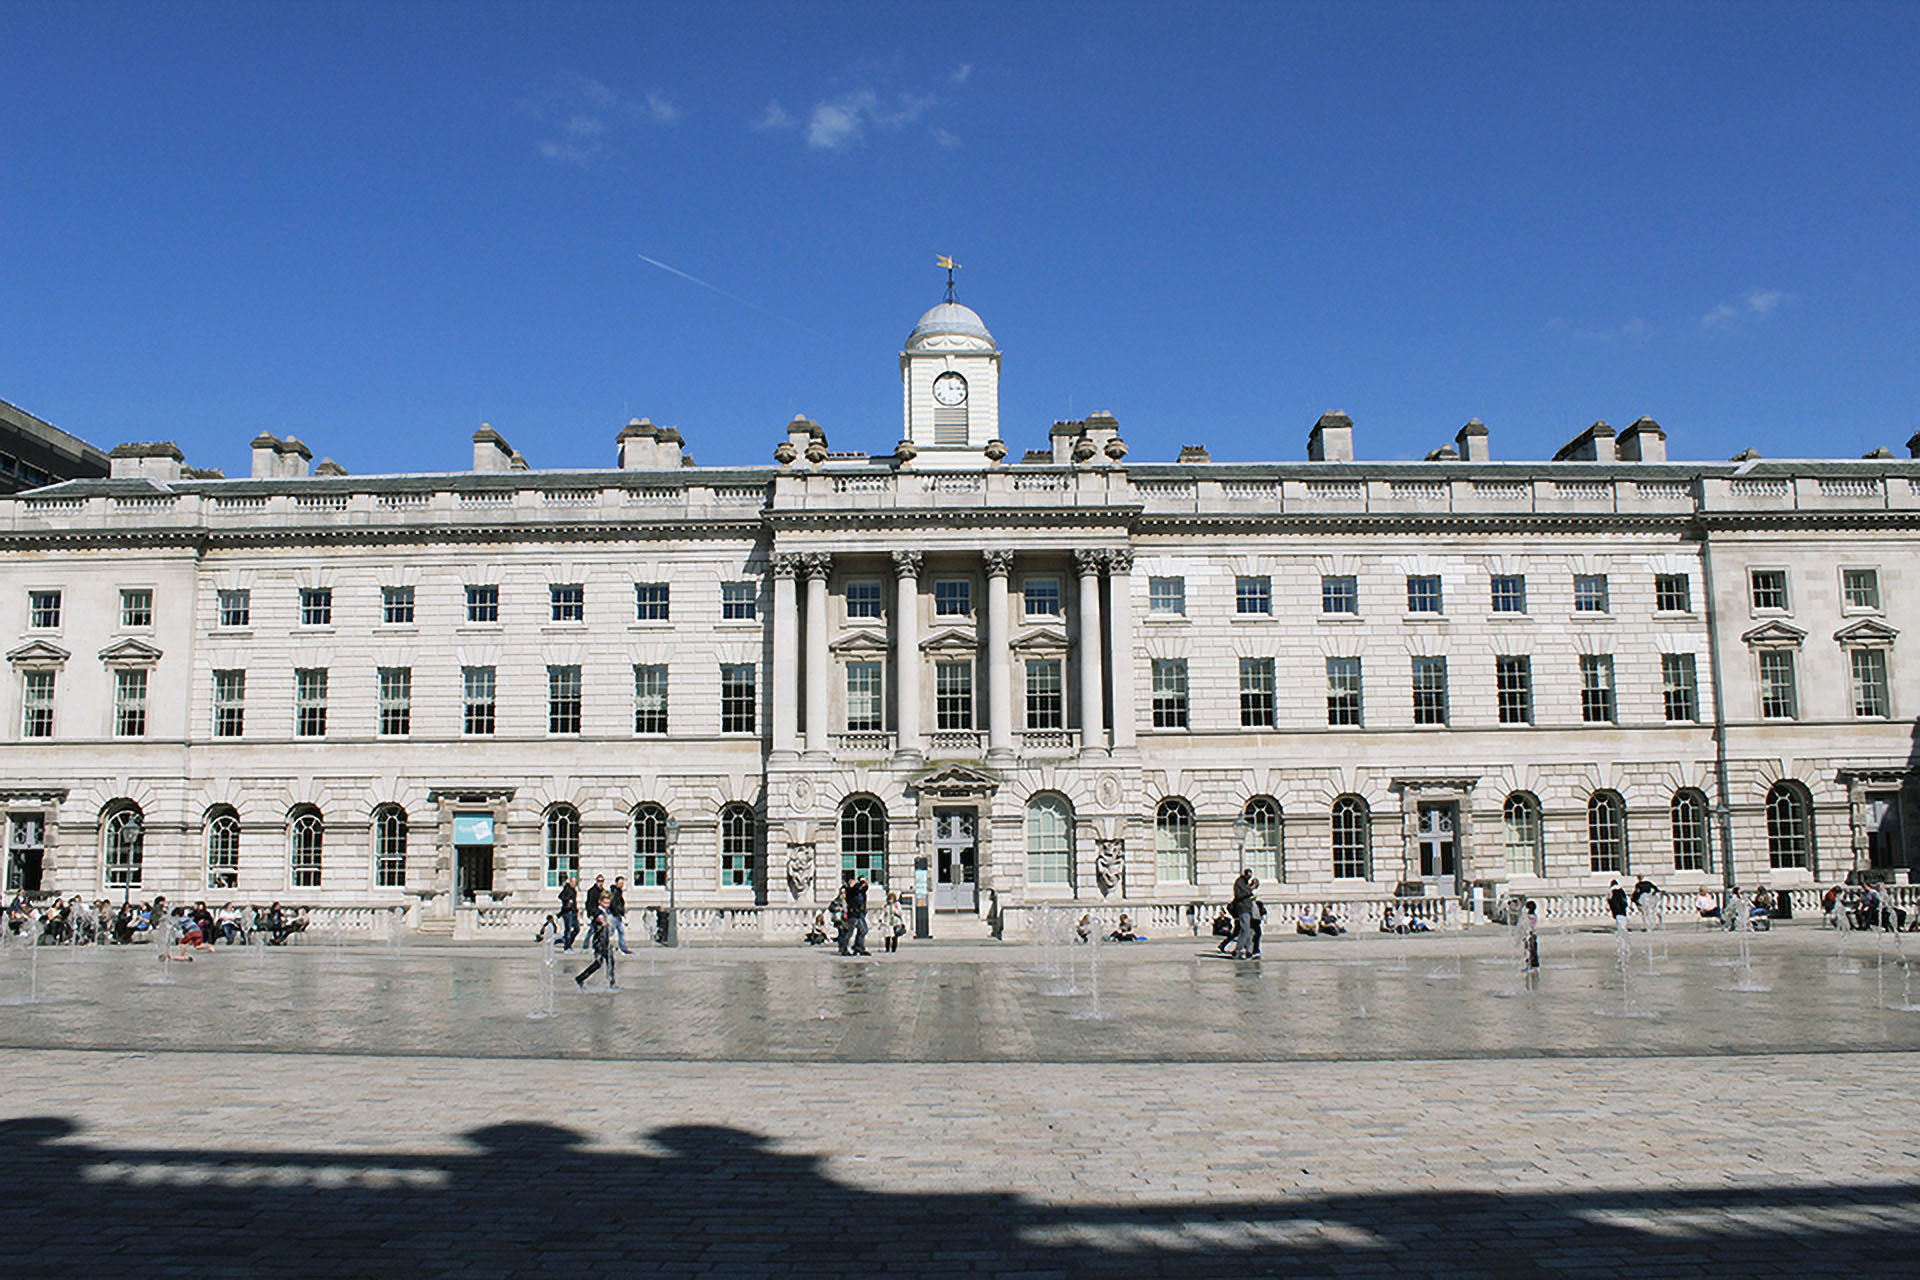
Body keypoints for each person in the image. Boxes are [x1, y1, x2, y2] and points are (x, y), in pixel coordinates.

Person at [574, 902, 617, 989]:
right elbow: (598, 918)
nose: (607, 904)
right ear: (600, 901)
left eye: (608, 902)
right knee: (598, 963)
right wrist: (602, 921)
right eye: (605, 902)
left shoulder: (606, 912)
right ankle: (580, 978)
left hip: (605, 941)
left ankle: (611, 983)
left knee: (610, 961)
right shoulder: (598, 912)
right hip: (599, 942)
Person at [1229, 869, 1257, 958]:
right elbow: (1238, 895)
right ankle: (1238, 950)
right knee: (1245, 930)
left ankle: (1249, 950)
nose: (1249, 878)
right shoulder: (1239, 883)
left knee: (1250, 930)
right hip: (1242, 908)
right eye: (1248, 876)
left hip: (1248, 908)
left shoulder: (1245, 883)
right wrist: (1250, 890)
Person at [846, 874, 871, 956]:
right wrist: (861, 882)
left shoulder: (858, 891)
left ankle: (859, 947)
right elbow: (856, 888)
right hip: (853, 913)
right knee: (850, 932)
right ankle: (845, 948)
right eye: (853, 883)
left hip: (859, 913)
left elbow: (864, 889)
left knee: (863, 930)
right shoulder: (850, 890)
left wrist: (864, 883)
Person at [609, 876, 631, 953]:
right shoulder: (615, 892)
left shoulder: (619, 891)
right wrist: (617, 912)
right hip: (614, 915)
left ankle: (623, 947)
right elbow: (613, 904)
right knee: (611, 932)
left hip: (617, 915)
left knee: (621, 931)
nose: (622, 884)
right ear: (616, 883)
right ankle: (605, 945)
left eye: (622, 883)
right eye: (620, 883)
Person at [558, 876, 579, 951]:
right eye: (573, 882)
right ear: (570, 882)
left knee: (577, 929)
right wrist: (568, 900)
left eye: (575, 882)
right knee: (568, 929)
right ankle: (567, 946)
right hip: (567, 912)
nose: (574, 883)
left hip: (573, 911)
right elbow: (560, 896)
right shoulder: (566, 888)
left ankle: (568, 941)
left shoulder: (574, 890)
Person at [1523, 899, 1540, 971]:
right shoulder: (1534, 915)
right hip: (1533, 934)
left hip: (1530, 935)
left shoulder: (1529, 917)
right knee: (1533, 950)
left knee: (1529, 950)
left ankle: (1530, 965)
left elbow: (1526, 925)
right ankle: (1534, 965)